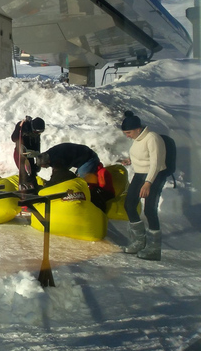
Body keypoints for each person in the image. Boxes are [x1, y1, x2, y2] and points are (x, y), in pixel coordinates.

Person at [119, 111, 168, 261]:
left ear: (138, 129)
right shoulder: (138, 138)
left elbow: (156, 163)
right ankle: (139, 242)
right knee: (129, 205)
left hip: (154, 175)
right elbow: (143, 156)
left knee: (149, 210)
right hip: (140, 174)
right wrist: (130, 160)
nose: (127, 135)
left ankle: (154, 249)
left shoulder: (152, 138)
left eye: (128, 132)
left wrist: (148, 183)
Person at [28, 142, 114, 210]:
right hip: (82, 154)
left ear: (48, 162)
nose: (46, 168)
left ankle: (90, 202)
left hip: (89, 158)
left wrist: (49, 186)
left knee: (80, 183)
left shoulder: (58, 161)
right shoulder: (48, 155)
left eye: (45, 166)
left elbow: (60, 175)